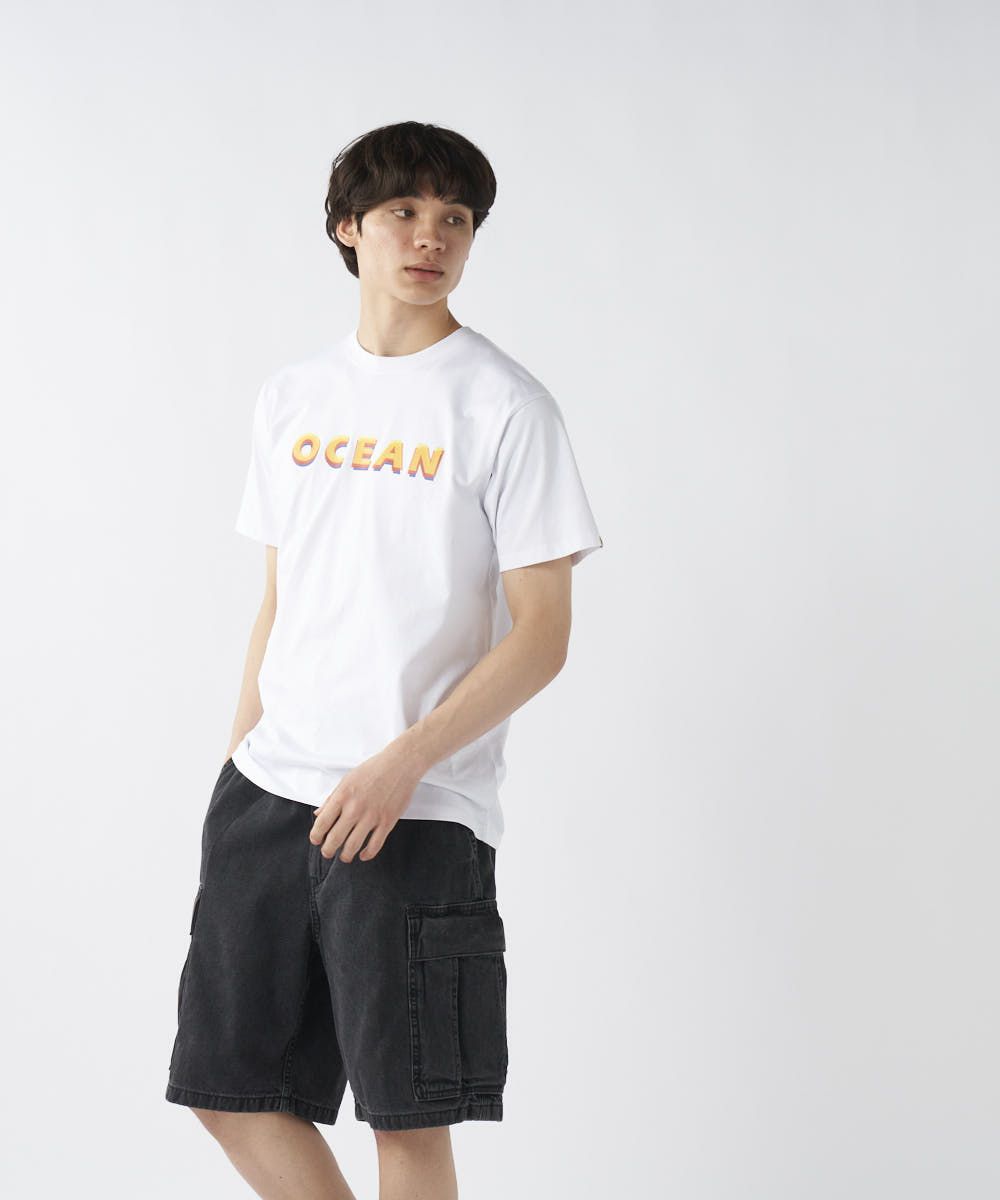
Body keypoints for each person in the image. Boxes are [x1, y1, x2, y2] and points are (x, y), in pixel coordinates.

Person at [164, 119, 604, 1200]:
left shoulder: (505, 407)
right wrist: (235, 768)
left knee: (406, 1123)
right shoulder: (293, 398)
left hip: (416, 812)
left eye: (455, 218)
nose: (431, 236)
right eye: (404, 211)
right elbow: (281, 599)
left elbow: (542, 635)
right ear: (347, 227)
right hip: (269, 797)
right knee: (231, 1091)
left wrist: (402, 763)